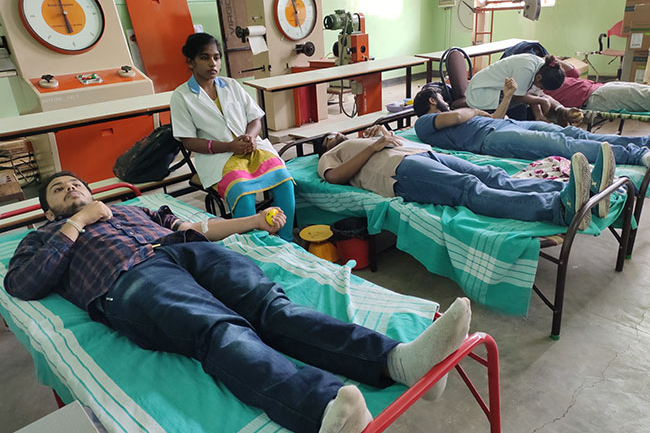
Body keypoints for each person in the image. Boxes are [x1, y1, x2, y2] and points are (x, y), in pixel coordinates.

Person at [5, 171, 474, 433]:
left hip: (185, 251)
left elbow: (198, 228)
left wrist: (251, 223)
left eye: (76, 184)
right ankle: (322, 411)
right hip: (130, 279)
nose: (72, 189)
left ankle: (398, 361)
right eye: (60, 190)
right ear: (47, 211)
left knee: (273, 308)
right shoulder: (44, 237)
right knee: (221, 331)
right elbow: (23, 284)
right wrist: (78, 222)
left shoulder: (132, 209)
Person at [318, 124, 617, 230]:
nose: (337, 135)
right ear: (326, 146)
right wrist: (372, 146)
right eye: (331, 136)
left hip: (421, 154)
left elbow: (389, 142)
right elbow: (334, 177)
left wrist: (382, 135)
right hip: (399, 172)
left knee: (492, 175)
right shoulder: (332, 154)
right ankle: (559, 208)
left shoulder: (364, 139)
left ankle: (583, 191)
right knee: (469, 189)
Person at [171, 33, 295, 241]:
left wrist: (251, 137)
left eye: (216, 57)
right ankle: (251, 246)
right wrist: (229, 146)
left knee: (285, 182)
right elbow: (189, 141)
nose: (213, 63)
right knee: (242, 192)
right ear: (190, 62)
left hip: (251, 149)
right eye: (204, 57)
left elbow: (255, 119)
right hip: (218, 157)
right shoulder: (181, 96)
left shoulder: (231, 85)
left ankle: (286, 240)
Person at [413, 81, 650, 170]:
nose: (445, 100)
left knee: (571, 132)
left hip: (507, 125)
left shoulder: (460, 114)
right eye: (440, 97)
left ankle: (642, 143)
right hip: (491, 139)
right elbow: (456, 117)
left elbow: (495, 118)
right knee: (561, 144)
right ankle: (635, 155)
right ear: (433, 101)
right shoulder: (423, 123)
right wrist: (473, 110)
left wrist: (507, 96)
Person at [464, 54, 566, 120]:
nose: (541, 90)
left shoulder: (542, 69)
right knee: (520, 106)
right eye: (542, 87)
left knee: (523, 112)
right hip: (482, 91)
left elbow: (533, 94)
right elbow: (518, 96)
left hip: (499, 89)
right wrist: (541, 101)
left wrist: (539, 115)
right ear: (539, 77)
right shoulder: (526, 69)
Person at [544, 60, 650, 112]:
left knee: (643, 90)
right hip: (593, 98)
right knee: (645, 96)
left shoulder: (547, 72)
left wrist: (553, 60)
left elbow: (574, 73)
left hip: (598, 88)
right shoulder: (537, 88)